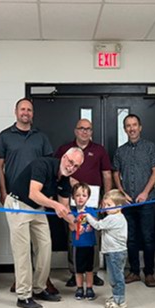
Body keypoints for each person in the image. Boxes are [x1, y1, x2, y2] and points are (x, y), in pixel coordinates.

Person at [5, 147, 84, 308]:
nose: (71, 167)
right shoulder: (43, 165)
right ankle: (24, 295)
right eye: (70, 162)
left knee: (45, 246)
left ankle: (39, 288)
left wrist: (76, 224)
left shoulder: (65, 180)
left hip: (38, 207)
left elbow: (65, 209)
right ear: (63, 157)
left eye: (76, 166)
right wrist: (54, 204)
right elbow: (34, 193)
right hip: (19, 204)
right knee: (23, 250)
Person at [0, 97, 56, 293]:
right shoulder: (4, 136)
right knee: (21, 244)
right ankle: (22, 282)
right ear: (16, 112)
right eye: (22, 109)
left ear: (32, 113)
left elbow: (49, 167)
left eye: (29, 110)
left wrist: (49, 196)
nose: (26, 113)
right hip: (15, 198)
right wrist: (3, 192)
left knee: (43, 244)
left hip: (37, 198)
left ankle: (41, 282)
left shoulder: (41, 137)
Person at [55, 118, 112, 287]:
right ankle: (75, 272)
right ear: (75, 130)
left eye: (88, 129)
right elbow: (57, 171)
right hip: (70, 200)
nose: (84, 131)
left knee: (92, 236)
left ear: (91, 132)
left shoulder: (99, 150)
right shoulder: (65, 149)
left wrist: (106, 196)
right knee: (74, 235)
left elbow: (107, 174)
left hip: (93, 201)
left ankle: (92, 272)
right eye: (81, 128)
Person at [113, 114, 155, 287]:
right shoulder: (120, 151)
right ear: (125, 129)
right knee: (130, 237)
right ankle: (134, 271)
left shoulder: (150, 147)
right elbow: (115, 173)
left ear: (140, 127)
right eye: (128, 126)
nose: (131, 128)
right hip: (128, 202)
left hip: (147, 201)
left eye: (134, 125)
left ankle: (149, 273)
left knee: (148, 237)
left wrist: (145, 193)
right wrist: (121, 192)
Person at [85, 189, 129, 308]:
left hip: (115, 252)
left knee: (116, 277)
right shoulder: (116, 216)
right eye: (105, 205)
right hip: (114, 252)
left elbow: (98, 226)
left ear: (119, 206)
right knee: (114, 276)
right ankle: (116, 296)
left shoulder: (114, 218)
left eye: (109, 205)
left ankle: (120, 301)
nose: (106, 208)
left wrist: (87, 215)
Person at [70, 182, 97, 301]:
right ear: (73, 197)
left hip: (90, 244)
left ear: (88, 197)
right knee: (79, 269)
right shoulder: (71, 212)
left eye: (84, 195)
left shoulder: (91, 210)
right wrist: (77, 218)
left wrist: (88, 216)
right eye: (77, 195)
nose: (80, 198)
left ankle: (90, 288)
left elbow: (96, 224)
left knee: (89, 268)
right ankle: (79, 288)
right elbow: (71, 227)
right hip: (78, 245)